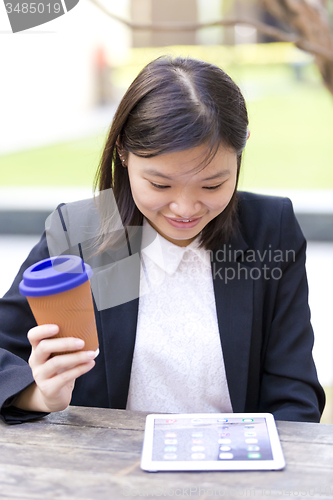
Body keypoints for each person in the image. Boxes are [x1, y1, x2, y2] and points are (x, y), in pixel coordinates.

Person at [0, 56, 325, 424]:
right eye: (160, 184)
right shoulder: (82, 234)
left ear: (242, 148)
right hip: (105, 468)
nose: (185, 208)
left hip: (235, 470)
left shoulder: (269, 229)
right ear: (122, 151)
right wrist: (38, 395)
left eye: (212, 184)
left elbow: (294, 394)